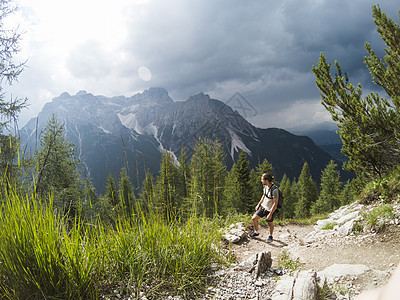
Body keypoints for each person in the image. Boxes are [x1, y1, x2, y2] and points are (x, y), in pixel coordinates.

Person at [249, 173, 279, 243]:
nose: (261, 180)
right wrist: (258, 204)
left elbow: (275, 204)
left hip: (270, 209)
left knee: (270, 223)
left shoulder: (275, 190)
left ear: (266, 180)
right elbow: (263, 196)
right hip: (263, 207)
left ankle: (270, 236)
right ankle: (256, 232)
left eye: (262, 179)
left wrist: (270, 214)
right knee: (254, 218)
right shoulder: (265, 187)